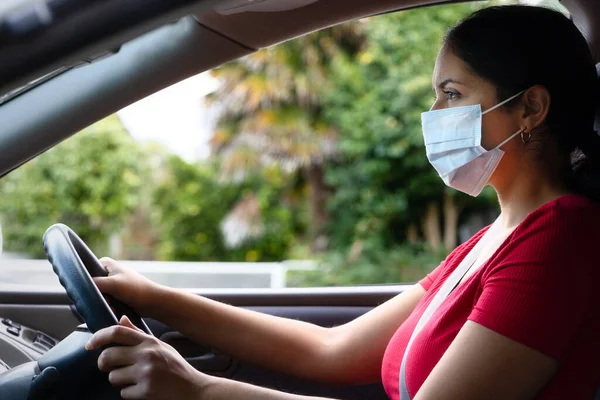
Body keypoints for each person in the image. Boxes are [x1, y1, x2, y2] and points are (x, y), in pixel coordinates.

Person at [85, 5, 600, 400]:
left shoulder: (559, 239)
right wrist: (153, 296)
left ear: (530, 107)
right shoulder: (495, 240)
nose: (434, 113)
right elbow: (331, 350)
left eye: (451, 93)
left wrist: (199, 389)